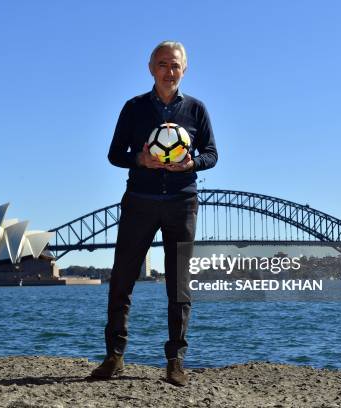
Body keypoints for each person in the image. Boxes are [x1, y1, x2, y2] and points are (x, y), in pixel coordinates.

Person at [90, 41, 218, 386]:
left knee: (178, 284)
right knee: (122, 279)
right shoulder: (133, 109)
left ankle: (175, 361)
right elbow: (115, 153)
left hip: (182, 201)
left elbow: (211, 154)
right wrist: (139, 159)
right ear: (151, 68)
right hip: (140, 200)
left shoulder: (196, 109)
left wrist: (192, 163)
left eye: (175, 65)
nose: (169, 71)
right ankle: (114, 357)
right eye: (162, 64)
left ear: (184, 69)